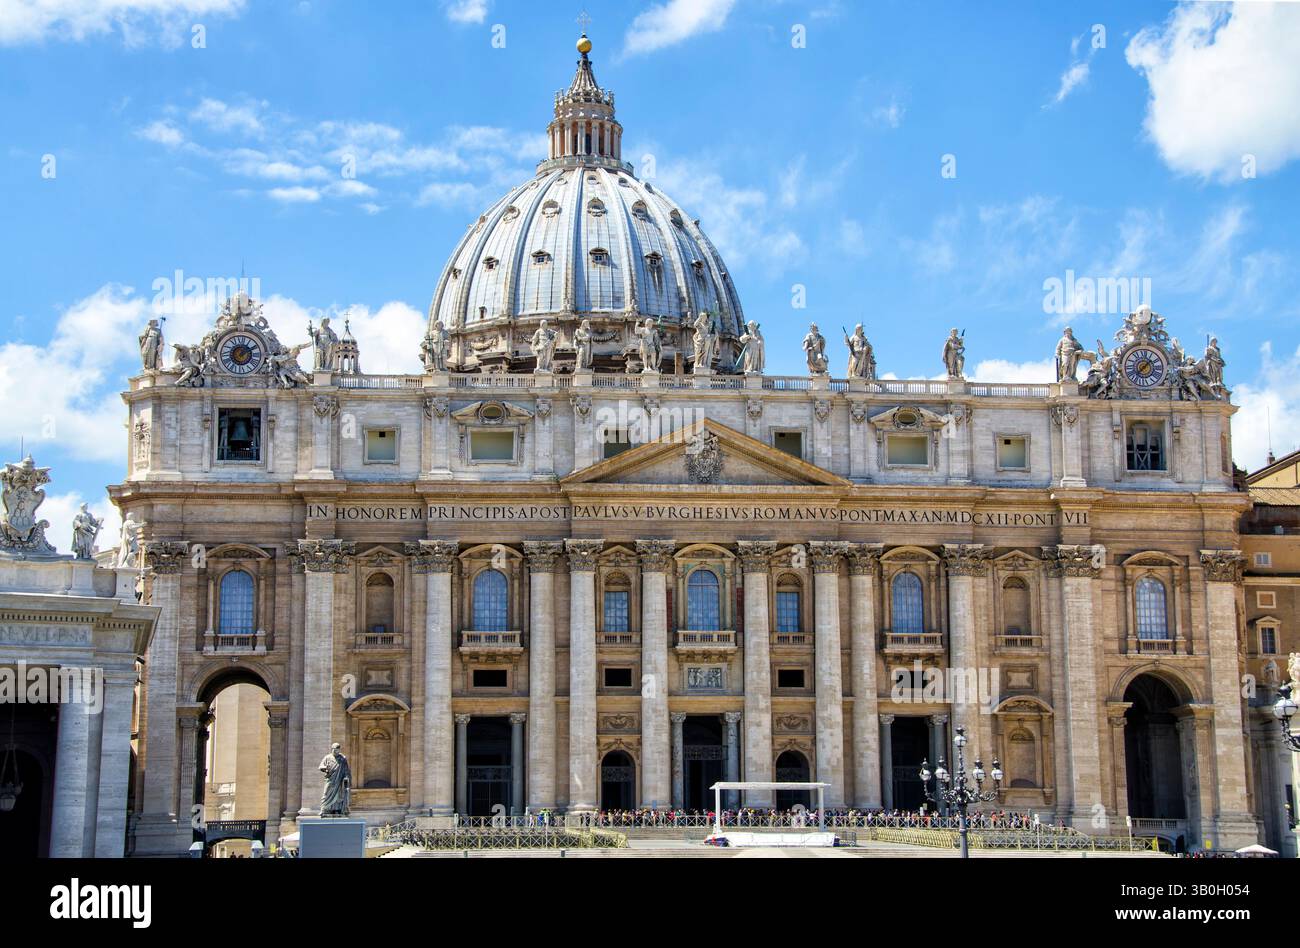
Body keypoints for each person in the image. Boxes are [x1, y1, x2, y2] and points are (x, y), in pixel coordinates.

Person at [319, 742, 352, 817]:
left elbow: (346, 769)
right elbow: (321, 766)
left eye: (336, 750)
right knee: (326, 793)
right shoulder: (327, 757)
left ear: (339, 750)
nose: (334, 751)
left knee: (339, 795)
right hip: (330, 779)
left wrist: (346, 777)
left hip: (339, 780)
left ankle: (337, 809)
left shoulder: (342, 758)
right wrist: (324, 769)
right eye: (333, 749)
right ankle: (324, 809)